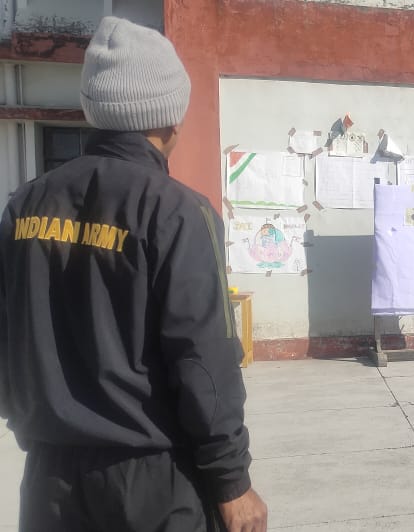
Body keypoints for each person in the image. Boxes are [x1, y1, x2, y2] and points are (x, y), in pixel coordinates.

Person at [0, 17, 267, 532]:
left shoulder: (25, 204)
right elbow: (203, 359)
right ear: (169, 118)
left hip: (49, 481)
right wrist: (231, 481)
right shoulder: (177, 212)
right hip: (151, 484)